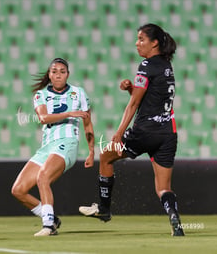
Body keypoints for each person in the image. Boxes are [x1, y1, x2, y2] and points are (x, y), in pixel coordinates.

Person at [79, 23, 185, 236]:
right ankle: (174, 218)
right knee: (163, 188)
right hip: (167, 134)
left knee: (106, 156)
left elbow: (134, 105)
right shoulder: (166, 66)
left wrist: (119, 133)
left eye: (141, 39)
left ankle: (104, 208)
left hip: (144, 131)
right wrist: (131, 88)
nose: (137, 44)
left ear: (154, 43)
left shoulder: (146, 66)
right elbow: (150, 100)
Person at [11, 58, 95, 236]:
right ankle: (52, 217)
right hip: (47, 147)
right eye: (54, 71)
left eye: (62, 71)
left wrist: (91, 151)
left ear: (68, 74)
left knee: (43, 177)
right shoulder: (40, 95)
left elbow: (88, 124)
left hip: (67, 143)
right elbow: (43, 118)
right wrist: (70, 113)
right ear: (49, 74)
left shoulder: (78, 93)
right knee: (18, 190)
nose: (58, 75)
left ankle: (48, 226)